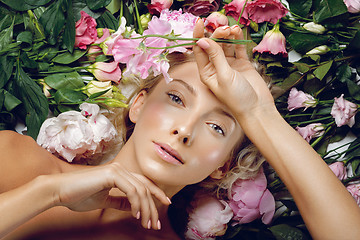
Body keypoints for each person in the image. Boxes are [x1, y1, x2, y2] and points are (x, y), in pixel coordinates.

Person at [1, 19, 360, 240]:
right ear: (138, 105)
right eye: (176, 99)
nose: (185, 131)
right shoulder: (18, 162)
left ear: (222, 166)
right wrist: (49, 193)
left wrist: (259, 112)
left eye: (217, 127)